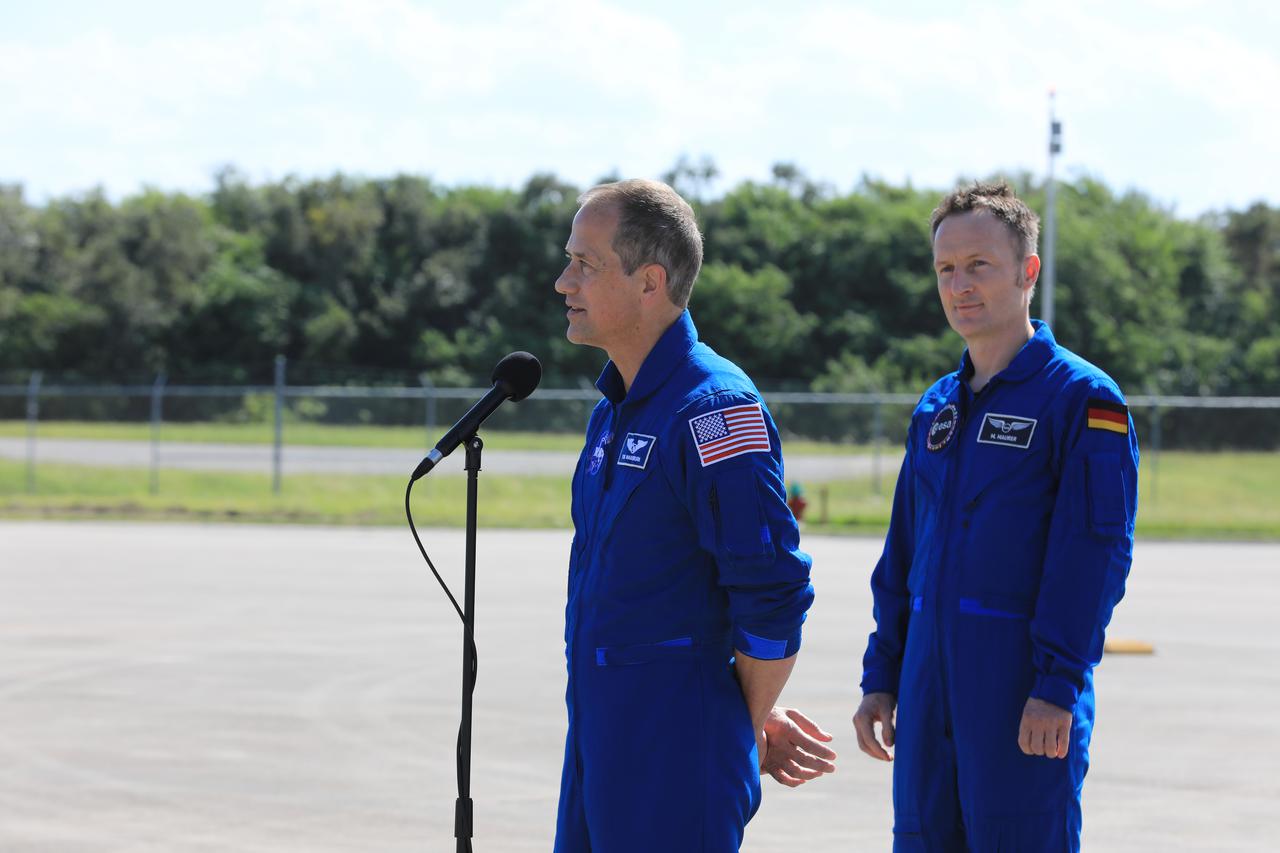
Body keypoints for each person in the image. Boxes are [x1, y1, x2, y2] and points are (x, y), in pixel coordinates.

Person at [852, 181, 1139, 852]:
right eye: (946, 269)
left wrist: (1057, 684)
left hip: (1017, 695)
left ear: (1027, 271)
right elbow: (904, 555)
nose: (960, 285)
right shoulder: (936, 409)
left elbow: (1094, 554)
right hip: (926, 694)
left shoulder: (1082, 400)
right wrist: (882, 676)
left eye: (978, 264)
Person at [553, 179, 836, 852]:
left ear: (649, 282)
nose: (565, 281)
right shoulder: (614, 411)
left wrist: (741, 719)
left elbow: (772, 595)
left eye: (585, 264)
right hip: (601, 739)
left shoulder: (714, 409)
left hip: (673, 757)